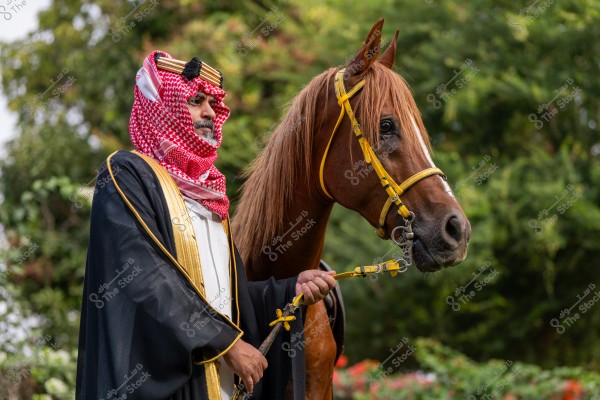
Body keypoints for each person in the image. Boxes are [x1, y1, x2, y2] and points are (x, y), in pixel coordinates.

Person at [75, 50, 337, 400]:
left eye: (213, 103)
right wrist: (225, 342)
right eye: (196, 100)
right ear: (162, 106)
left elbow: (229, 302)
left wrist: (289, 290)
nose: (210, 113)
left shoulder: (210, 196)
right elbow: (146, 276)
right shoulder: (126, 175)